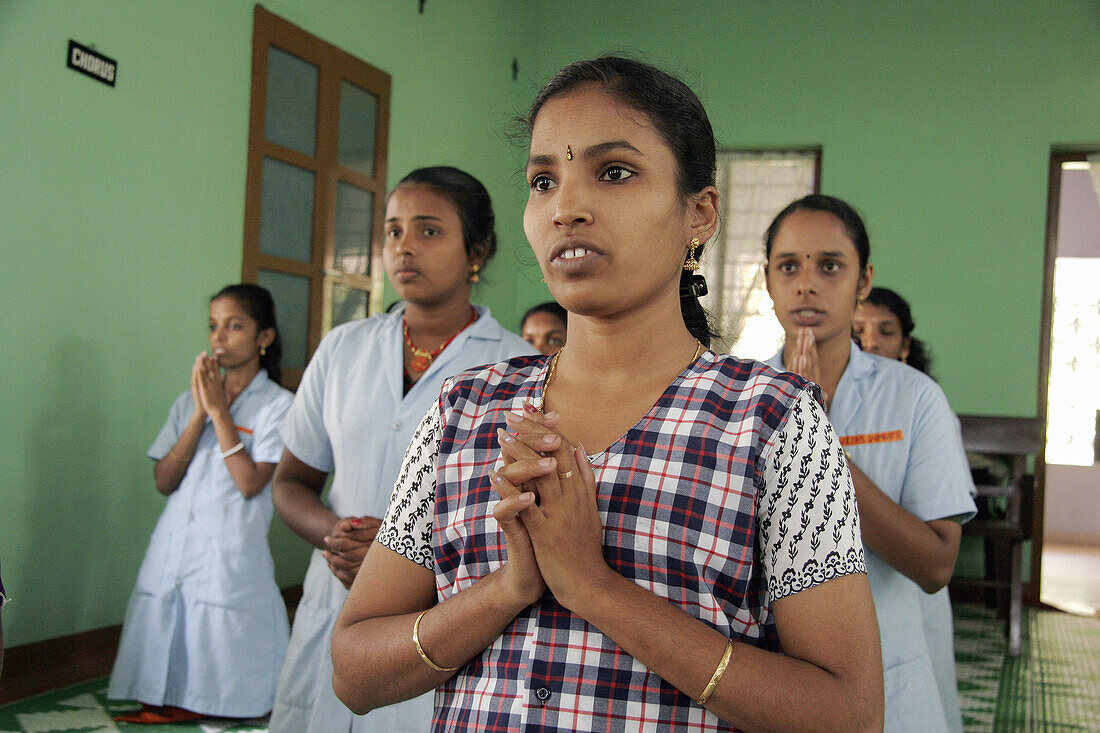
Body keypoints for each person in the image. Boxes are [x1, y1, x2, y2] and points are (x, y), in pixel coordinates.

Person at [331, 57, 884, 732]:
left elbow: (851, 715)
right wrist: (508, 590)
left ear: (699, 214)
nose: (567, 207)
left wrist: (592, 586)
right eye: (543, 180)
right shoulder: (463, 413)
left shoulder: (771, 420)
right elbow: (353, 672)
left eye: (614, 172)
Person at [268, 166, 534, 733]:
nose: (404, 246)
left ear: (476, 250)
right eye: (392, 231)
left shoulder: (515, 370)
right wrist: (335, 536)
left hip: (443, 618)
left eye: (429, 230)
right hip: (332, 594)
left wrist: (399, 561)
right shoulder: (344, 348)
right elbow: (290, 483)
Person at [761, 195, 976, 732]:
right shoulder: (742, 397)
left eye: (830, 266)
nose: (806, 284)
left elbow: (935, 565)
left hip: (887, 676)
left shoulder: (915, 399)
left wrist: (819, 446)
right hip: (766, 675)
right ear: (767, 280)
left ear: (863, 281)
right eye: (789, 266)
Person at [108, 284, 293, 724]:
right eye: (213, 327)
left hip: (232, 545)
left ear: (263, 338)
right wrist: (198, 414)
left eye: (234, 326)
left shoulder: (279, 406)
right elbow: (163, 480)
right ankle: (163, 699)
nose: (219, 338)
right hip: (176, 537)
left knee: (224, 631)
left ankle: (231, 706)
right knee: (168, 610)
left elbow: (250, 483)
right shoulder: (187, 402)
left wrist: (220, 414)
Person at [852, 285, 962, 732]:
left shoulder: (920, 399)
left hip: (903, 604)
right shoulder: (766, 385)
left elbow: (936, 559)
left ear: (906, 345)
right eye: (860, 331)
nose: (871, 341)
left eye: (885, 332)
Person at [852, 286, 933, 376]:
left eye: (886, 332)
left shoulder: (920, 389)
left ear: (904, 346)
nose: (871, 343)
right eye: (858, 331)